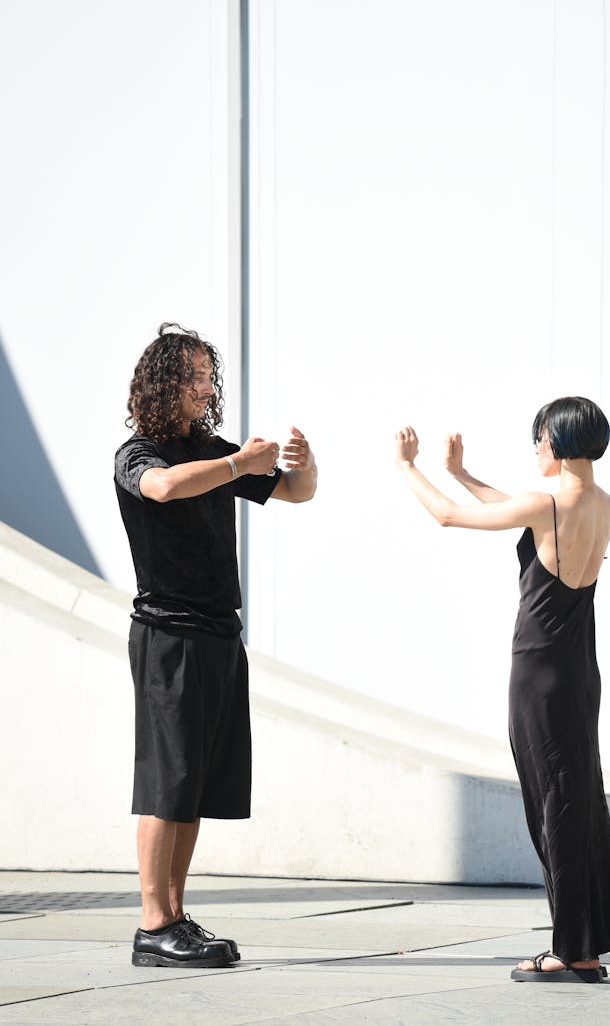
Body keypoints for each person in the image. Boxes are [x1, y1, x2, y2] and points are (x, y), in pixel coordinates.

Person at [394, 397, 610, 984]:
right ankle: (586, 944)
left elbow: (448, 518)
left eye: (539, 438)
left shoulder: (548, 503)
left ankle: (570, 951)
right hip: (579, 673)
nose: (535, 448)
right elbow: (519, 511)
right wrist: (460, 473)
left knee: (553, 804)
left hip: (538, 673)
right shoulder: (601, 503)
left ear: (558, 440)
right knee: (579, 801)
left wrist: (408, 467)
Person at [115, 323, 317, 968]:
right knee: (165, 782)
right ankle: (153, 925)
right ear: (164, 383)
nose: (206, 388)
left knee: (194, 785)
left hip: (218, 634)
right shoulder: (138, 453)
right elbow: (166, 487)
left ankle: (174, 916)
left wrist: (301, 464)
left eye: (209, 376)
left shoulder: (209, 450)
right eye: (195, 377)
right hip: (167, 633)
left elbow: (295, 493)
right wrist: (237, 464)